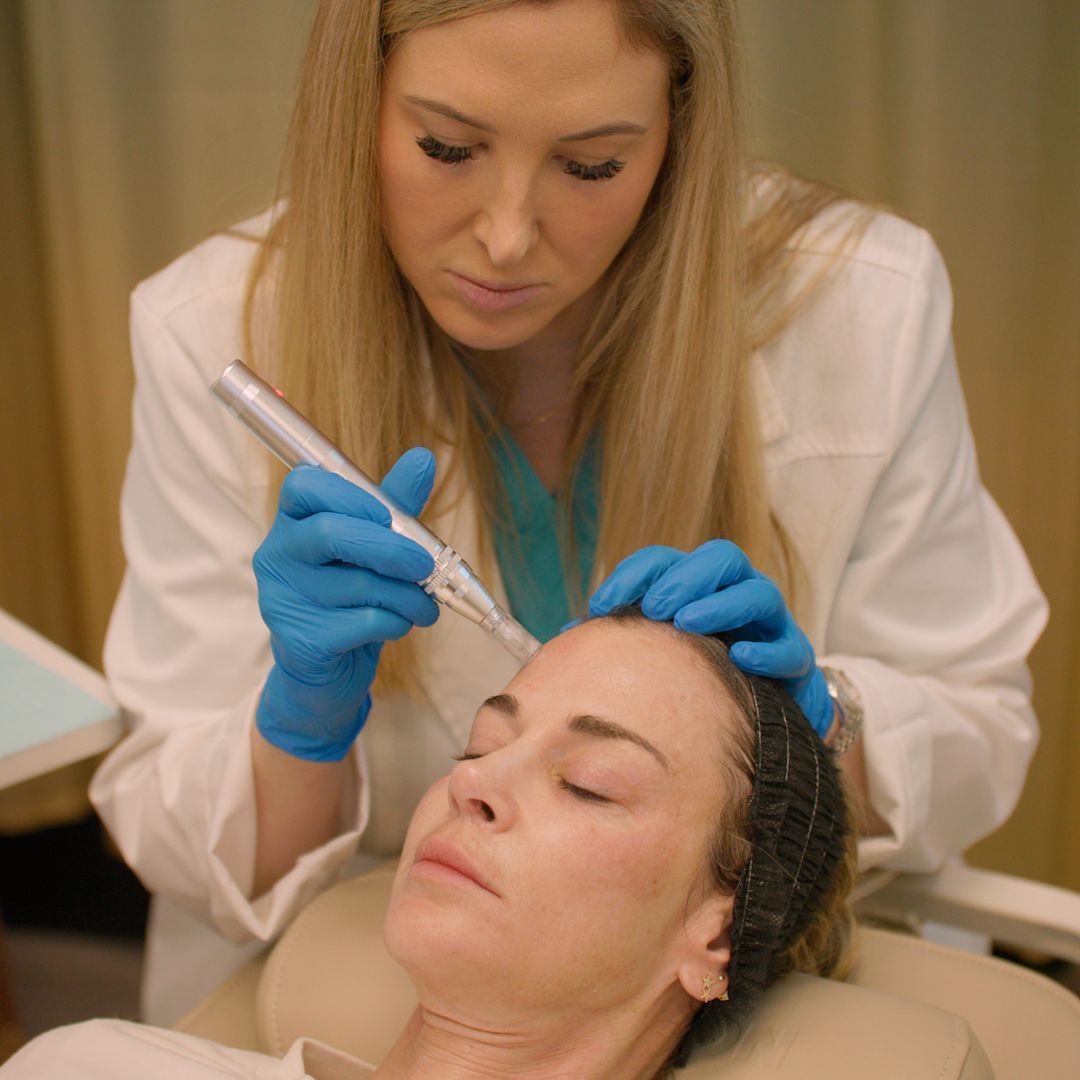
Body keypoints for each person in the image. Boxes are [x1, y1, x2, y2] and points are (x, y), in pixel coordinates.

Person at [89, 0, 1046, 1024]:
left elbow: (981, 729)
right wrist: (300, 726)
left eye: (591, 165)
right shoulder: (213, 327)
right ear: (355, 103)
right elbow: (179, 840)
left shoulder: (863, 304)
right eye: (447, 147)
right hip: (361, 979)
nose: (506, 237)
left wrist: (821, 735)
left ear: (681, 129)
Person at [5, 611, 856, 1078]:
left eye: (589, 782)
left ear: (716, 928)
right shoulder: (89, 1066)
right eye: (480, 746)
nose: (472, 784)